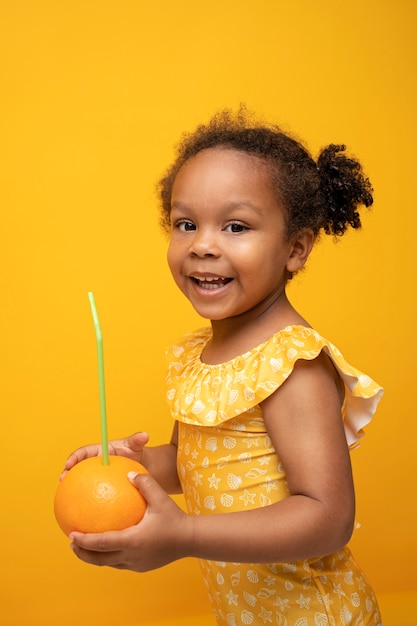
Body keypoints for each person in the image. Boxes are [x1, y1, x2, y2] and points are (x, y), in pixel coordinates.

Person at [63, 108, 384, 625]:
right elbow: (200, 463)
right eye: (185, 224)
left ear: (296, 248)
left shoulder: (290, 364)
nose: (203, 245)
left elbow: (329, 518)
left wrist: (185, 535)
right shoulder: (203, 356)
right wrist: (131, 468)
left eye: (236, 226)